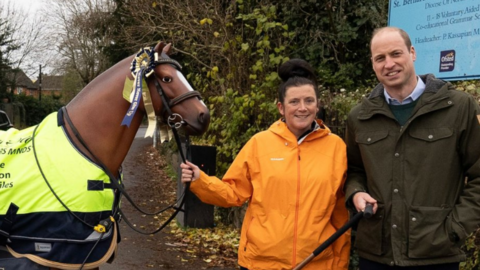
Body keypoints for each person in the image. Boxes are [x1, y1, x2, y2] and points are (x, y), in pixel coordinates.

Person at [181, 59, 350, 270]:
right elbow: (233, 193)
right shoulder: (259, 144)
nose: (302, 108)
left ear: (317, 105)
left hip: (318, 264)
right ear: (281, 107)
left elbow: (342, 214)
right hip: (261, 263)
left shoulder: (337, 148)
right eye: (294, 102)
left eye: (309, 101)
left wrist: (340, 263)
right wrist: (200, 180)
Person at [345, 26, 480, 269]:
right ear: (373, 63)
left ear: (413, 52)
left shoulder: (458, 107)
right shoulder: (359, 117)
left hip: (435, 252)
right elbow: (354, 171)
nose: (389, 64)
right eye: (380, 58)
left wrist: (456, 228)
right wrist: (355, 192)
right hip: (376, 253)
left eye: (396, 54)